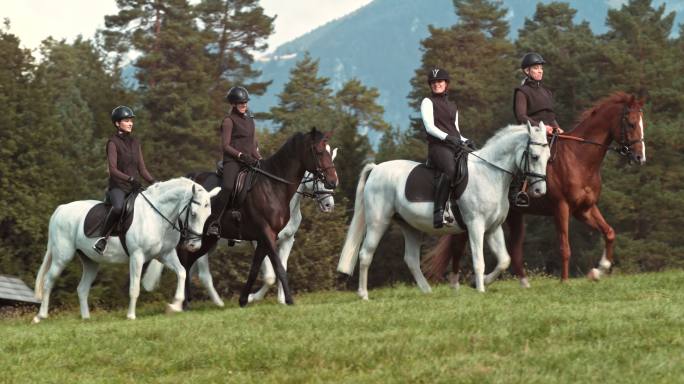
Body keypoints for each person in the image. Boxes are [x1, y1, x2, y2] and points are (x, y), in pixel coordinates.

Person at [93, 106, 156, 254]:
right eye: (127, 121)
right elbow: (113, 170)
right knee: (119, 208)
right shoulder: (112, 143)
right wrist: (130, 178)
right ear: (117, 123)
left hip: (135, 188)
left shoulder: (135, 142)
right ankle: (102, 239)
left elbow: (142, 169)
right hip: (118, 187)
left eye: (131, 121)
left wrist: (155, 183)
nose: (130, 123)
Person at [420, 67, 473, 229]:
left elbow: (456, 129)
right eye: (434, 82)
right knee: (450, 169)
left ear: (446, 84)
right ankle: (439, 211)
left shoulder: (452, 106)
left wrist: (467, 140)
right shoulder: (427, 102)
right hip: (438, 146)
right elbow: (429, 127)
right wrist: (448, 138)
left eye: (440, 82)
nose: (437, 85)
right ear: (431, 85)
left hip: (453, 144)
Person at [206, 86, 261, 236]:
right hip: (233, 161)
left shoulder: (250, 119)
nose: (244, 105)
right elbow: (225, 146)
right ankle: (214, 222)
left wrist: (258, 158)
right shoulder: (228, 121)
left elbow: (252, 144)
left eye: (245, 103)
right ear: (233, 104)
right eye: (241, 103)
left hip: (249, 160)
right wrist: (241, 156)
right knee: (229, 186)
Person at [514, 52, 563, 134]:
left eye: (541, 68)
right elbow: (521, 116)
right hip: (533, 133)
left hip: (549, 132)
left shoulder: (547, 92)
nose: (540, 71)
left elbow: (550, 117)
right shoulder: (521, 91)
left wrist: (558, 128)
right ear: (527, 71)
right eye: (536, 68)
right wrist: (541, 127)